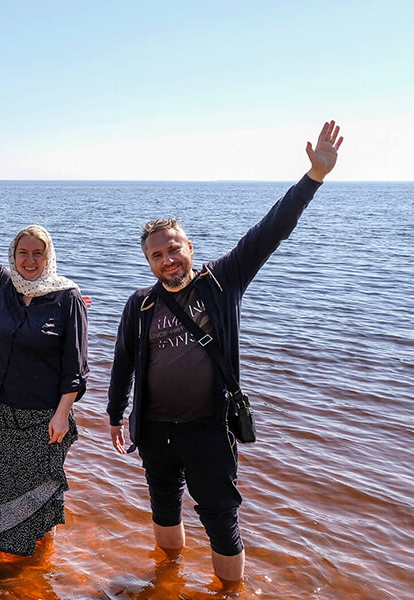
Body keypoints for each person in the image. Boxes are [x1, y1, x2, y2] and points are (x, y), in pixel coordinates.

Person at [106, 121, 343, 586]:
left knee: (220, 519)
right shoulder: (141, 303)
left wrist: (313, 177)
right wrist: (115, 414)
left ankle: (230, 592)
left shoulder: (223, 280)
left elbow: (272, 229)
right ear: (148, 262)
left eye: (173, 249)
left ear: (189, 248)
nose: (167, 260)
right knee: (163, 508)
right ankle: (167, 581)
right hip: (155, 431)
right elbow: (123, 362)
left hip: (209, 430)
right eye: (157, 255)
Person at [0, 164, 89, 556]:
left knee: (41, 487)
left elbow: (75, 368)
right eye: (23, 253)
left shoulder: (67, 299)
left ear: (49, 257)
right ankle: (13, 557)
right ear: (14, 255)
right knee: (7, 486)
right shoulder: (6, 286)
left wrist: (62, 414)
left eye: (37, 254)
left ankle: (41, 562)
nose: (30, 260)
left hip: (43, 415)